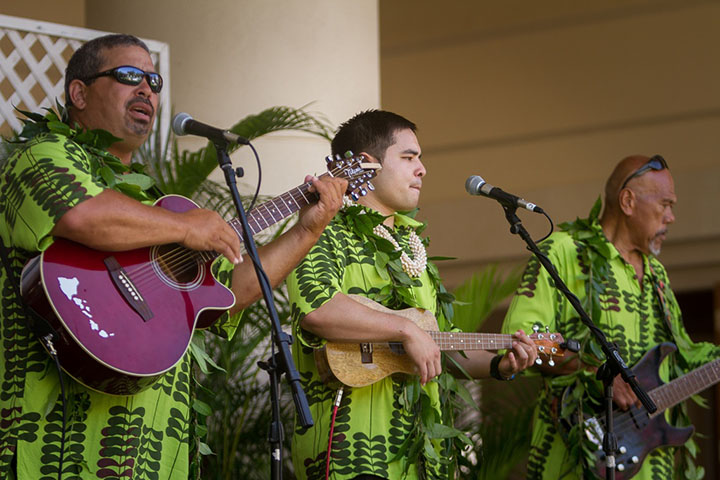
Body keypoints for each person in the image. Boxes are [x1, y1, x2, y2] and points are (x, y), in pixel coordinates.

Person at [0, 34, 347, 479]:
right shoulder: (42, 156)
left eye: (154, 80)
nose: (146, 89)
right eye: (129, 76)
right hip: (58, 444)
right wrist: (187, 226)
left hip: (152, 452)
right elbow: (83, 215)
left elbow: (230, 290)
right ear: (79, 93)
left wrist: (308, 227)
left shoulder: (158, 207)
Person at [286, 109, 539, 480]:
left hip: (421, 456)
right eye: (408, 158)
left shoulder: (413, 245)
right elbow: (317, 309)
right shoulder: (323, 229)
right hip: (351, 453)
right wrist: (405, 330)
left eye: (419, 158)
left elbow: (436, 347)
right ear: (367, 166)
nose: (422, 169)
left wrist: (500, 365)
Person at [502, 155, 720, 479]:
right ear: (628, 201)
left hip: (652, 467)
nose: (671, 217)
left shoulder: (657, 274)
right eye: (665, 204)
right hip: (576, 462)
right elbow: (523, 340)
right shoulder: (565, 251)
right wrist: (595, 371)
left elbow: (683, 358)